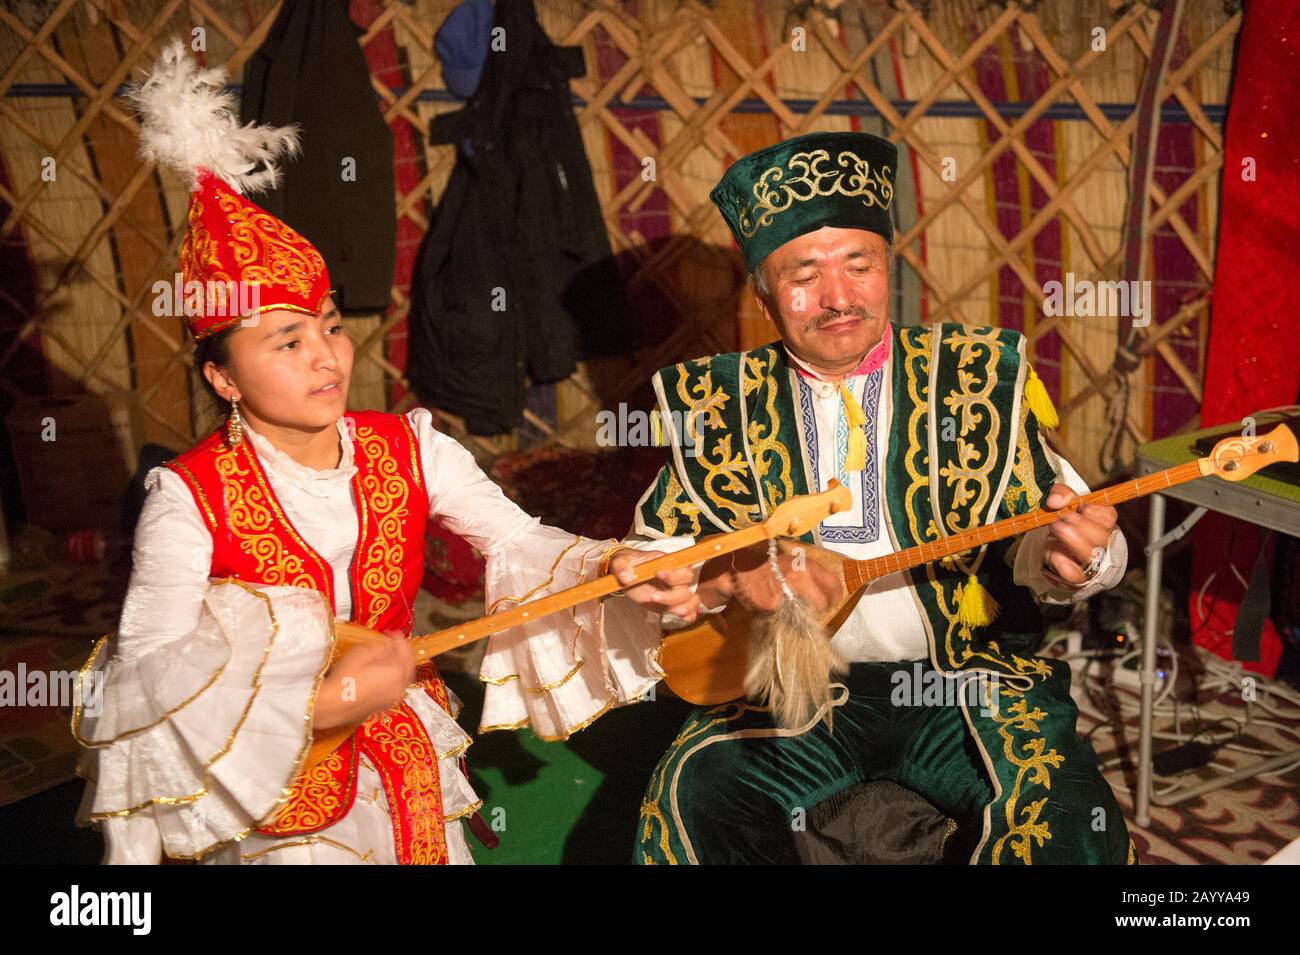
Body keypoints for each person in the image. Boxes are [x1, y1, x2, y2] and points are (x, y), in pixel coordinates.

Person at [71, 40, 698, 865]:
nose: (328, 356)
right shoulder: (189, 495)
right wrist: (317, 702)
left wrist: (611, 562)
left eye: (329, 326)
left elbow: (512, 539)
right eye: (287, 341)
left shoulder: (405, 445)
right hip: (265, 771)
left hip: (401, 743)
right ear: (223, 376)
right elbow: (148, 672)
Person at [624, 131, 1138, 865]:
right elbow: (667, 546)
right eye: (803, 274)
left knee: (1062, 818)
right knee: (689, 798)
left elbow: (1061, 529)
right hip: (792, 694)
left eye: (858, 265)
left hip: (963, 684)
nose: (837, 298)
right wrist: (695, 579)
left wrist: (1074, 554)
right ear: (767, 296)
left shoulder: (973, 375)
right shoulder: (720, 402)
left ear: (888, 266)